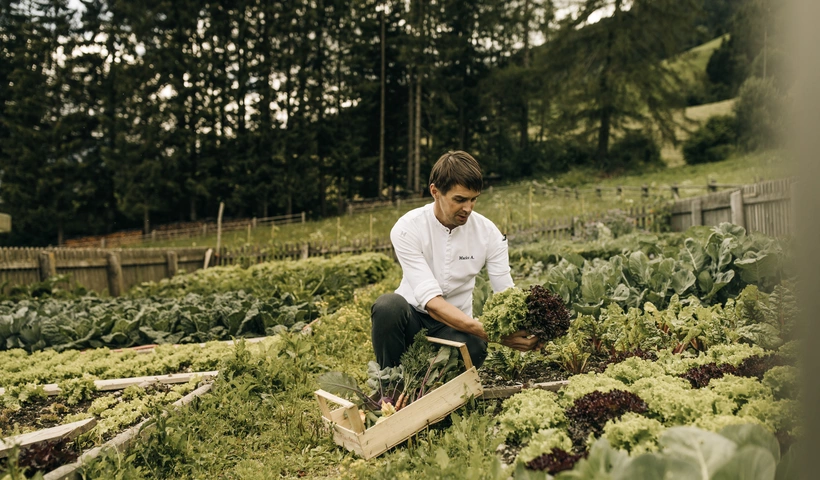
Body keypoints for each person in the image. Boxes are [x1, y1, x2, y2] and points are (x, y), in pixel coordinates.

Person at [371, 150, 540, 369]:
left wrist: (529, 330)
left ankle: (432, 376)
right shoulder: (408, 228)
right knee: (387, 306)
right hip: (412, 320)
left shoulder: (489, 233)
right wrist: (492, 332)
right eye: (459, 200)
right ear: (435, 192)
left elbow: (506, 292)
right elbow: (431, 303)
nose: (468, 208)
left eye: (473, 200)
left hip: (455, 328)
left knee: (476, 347)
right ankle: (391, 384)